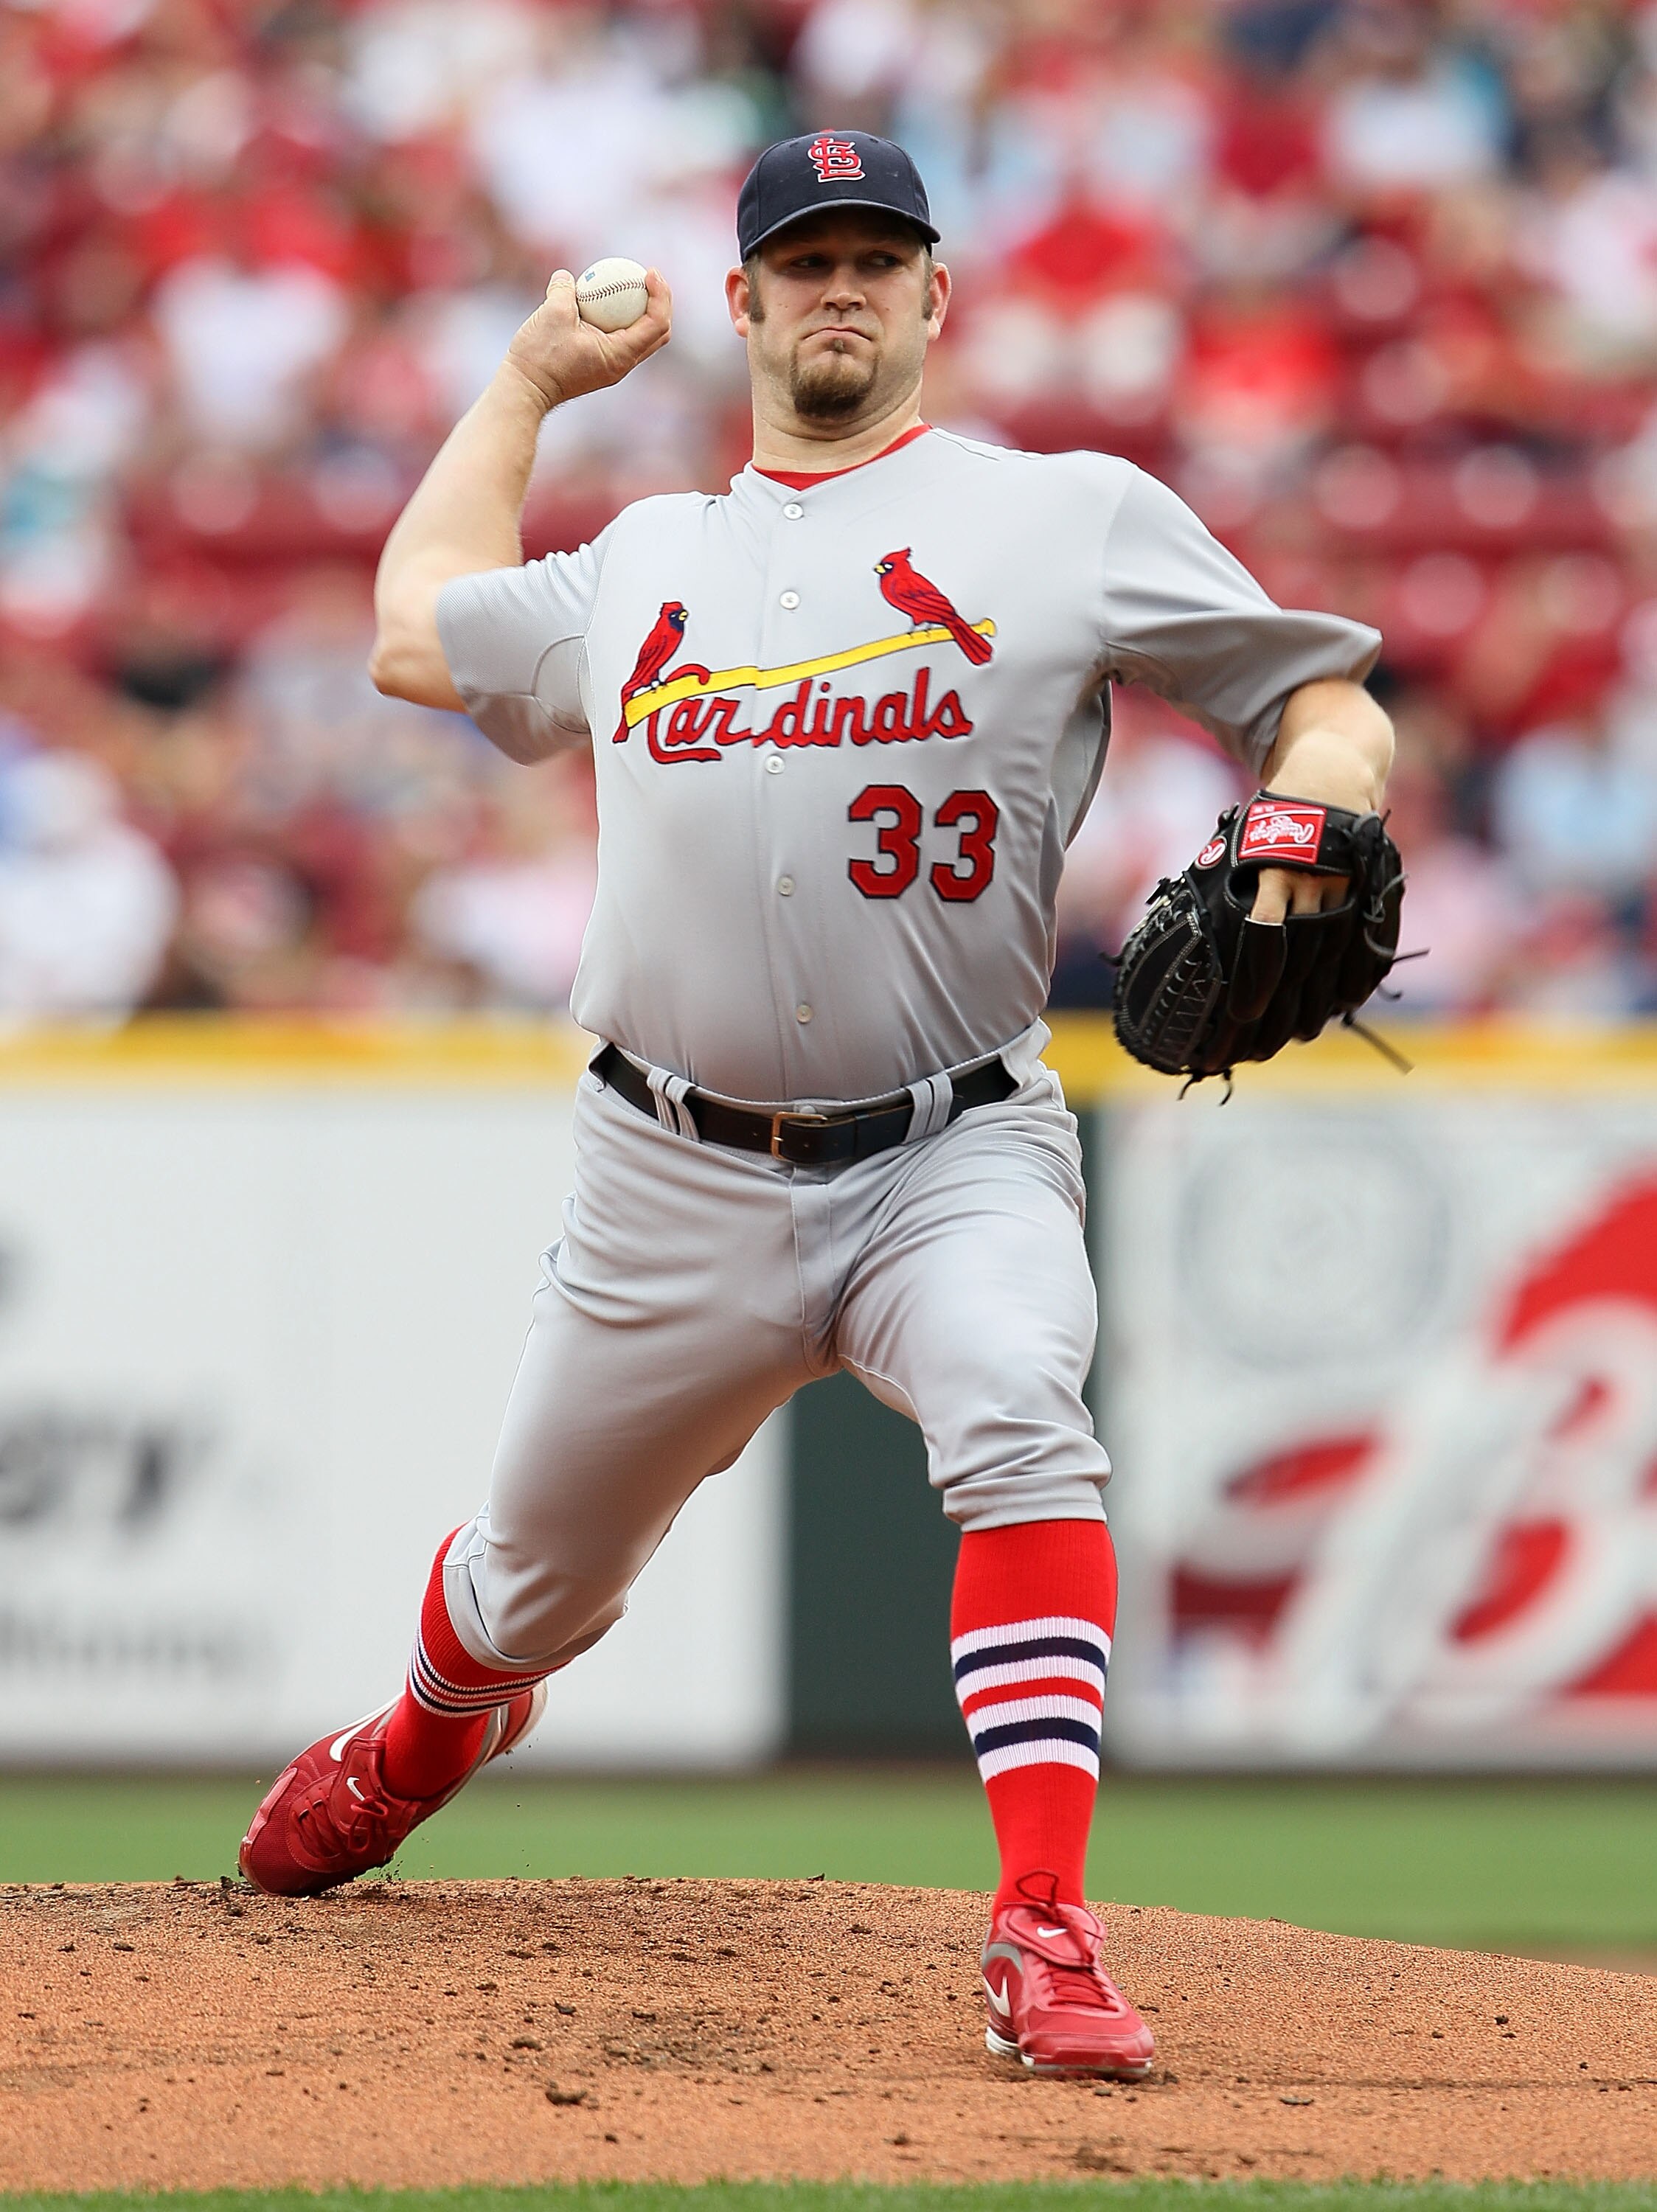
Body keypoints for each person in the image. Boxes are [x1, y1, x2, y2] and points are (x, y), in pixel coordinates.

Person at [240, 131, 1392, 2079]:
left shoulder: (1067, 517)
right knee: (528, 1589)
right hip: (661, 1178)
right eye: (804, 259)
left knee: (1026, 1406)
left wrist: (1312, 811)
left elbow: (1327, 697)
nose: (840, 285)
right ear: (748, 302)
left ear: (937, 297)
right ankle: (427, 1729)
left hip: (954, 1151)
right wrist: (521, 384)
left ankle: (1042, 1922)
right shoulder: (651, 560)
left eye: (878, 255)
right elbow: (414, 628)